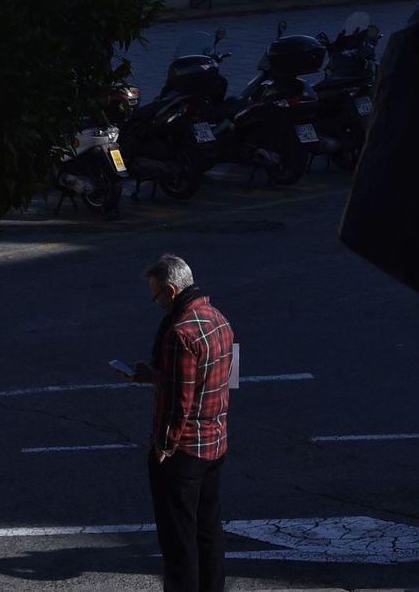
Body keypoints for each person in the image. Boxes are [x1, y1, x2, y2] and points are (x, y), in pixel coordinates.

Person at [124, 254, 235, 592]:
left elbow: (178, 404)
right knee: (208, 531)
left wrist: (163, 447)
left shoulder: (180, 335)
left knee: (178, 541)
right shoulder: (221, 321)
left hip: (184, 452)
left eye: (156, 296)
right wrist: (158, 377)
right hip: (215, 443)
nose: (156, 303)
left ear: (172, 291)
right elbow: (225, 379)